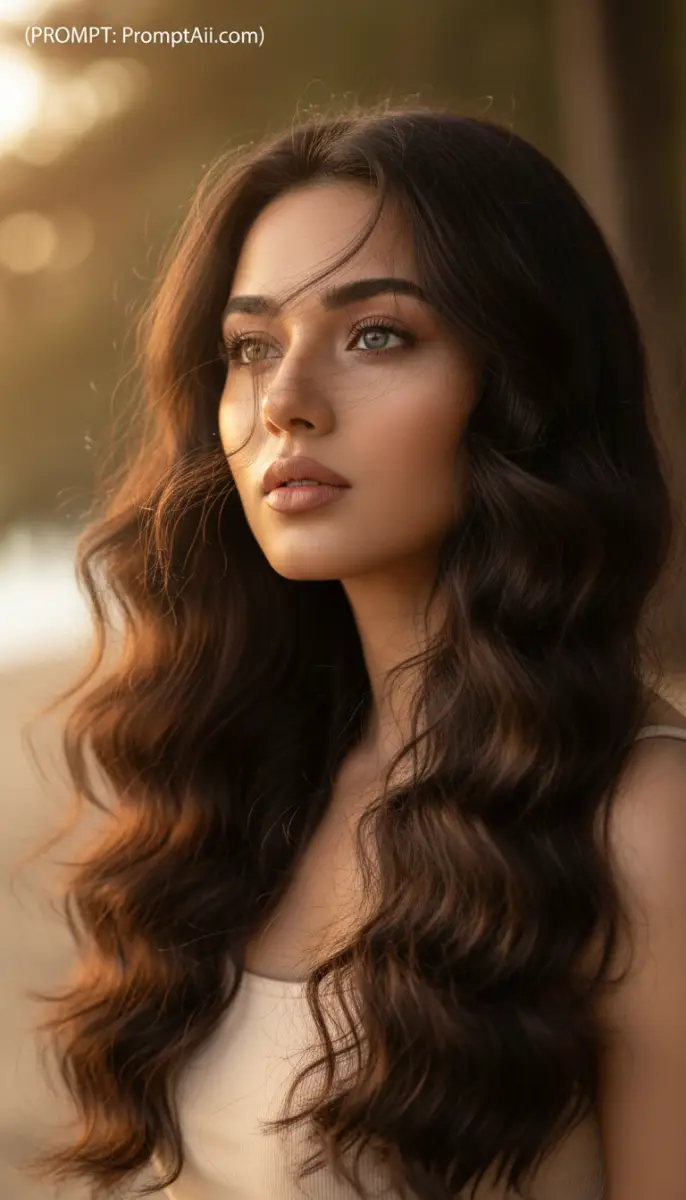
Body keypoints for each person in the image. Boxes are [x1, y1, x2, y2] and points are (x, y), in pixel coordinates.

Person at [20, 105, 686, 1200]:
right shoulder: (239, 781)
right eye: (249, 348)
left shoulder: (638, 818)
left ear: (521, 388)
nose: (284, 403)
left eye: (376, 333)